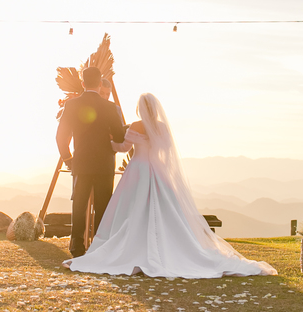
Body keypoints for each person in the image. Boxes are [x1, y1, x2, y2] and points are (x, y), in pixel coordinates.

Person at [64, 93, 276, 278]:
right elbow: (165, 152)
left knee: (132, 210)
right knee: (163, 210)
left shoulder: (135, 126)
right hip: (157, 170)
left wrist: (108, 142)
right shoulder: (162, 127)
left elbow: (123, 147)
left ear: (140, 108)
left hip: (137, 170)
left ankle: (134, 245)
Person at [57, 68, 126, 258]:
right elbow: (120, 137)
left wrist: (68, 160)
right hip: (104, 164)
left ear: (83, 83)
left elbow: (61, 137)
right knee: (103, 207)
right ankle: (99, 248)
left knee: (78, 206)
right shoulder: (110, 108)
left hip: (80, 164)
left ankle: (77, 247)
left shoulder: (71, 105)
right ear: (99, 84)